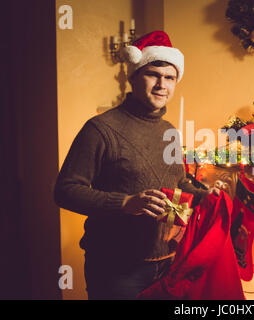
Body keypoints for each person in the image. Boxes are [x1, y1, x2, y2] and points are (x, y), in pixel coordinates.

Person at [54, 30, 217, 299]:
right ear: (133, 77)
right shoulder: (101, 128)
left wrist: (206, 194)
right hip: (116, 269)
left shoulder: (170, 132)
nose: (161, 85)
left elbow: (179, 185)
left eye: (170, 78)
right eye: (153, 74)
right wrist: (125, 202)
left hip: (167, 263)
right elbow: (65, 190)